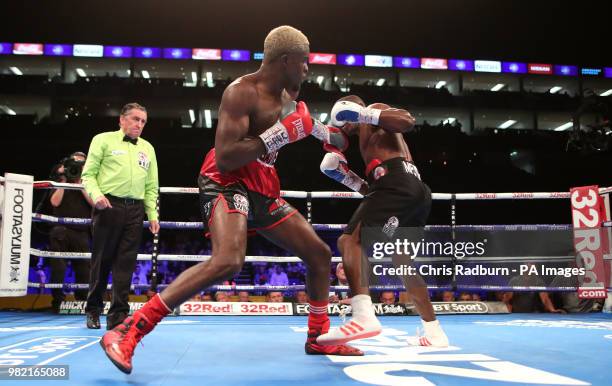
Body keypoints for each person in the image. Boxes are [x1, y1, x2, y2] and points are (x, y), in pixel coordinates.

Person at [100, 25, 361, 375]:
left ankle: (318, 336)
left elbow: (325, 135)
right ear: (286, 60)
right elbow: (226, 157)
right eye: (304, 61)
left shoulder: (289, 95)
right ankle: (129, 329)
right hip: (226, 182)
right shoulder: (241, 93)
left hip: (263, 188)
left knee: (319, 254)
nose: (308, 68)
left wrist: (342, 130)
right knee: (228, 259)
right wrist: (279, 134)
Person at [316, 95, 449, 347]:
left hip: (398, 185)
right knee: (402, 261)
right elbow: (374, 193)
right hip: (411, 192)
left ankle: (364, 316)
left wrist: (362, 113)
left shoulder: (372, 113)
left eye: (342, 124)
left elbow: (407, 120)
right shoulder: (369, 137)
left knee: (349, 240)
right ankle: (435, 332)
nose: (342, 131)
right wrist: (348, 179)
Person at [81, 102, 160, 330]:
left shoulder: (148, 148)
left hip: (135, 210)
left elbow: (152, 186)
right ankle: (93, 310)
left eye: (143, 121)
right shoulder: (102, 139)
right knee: (101, 261)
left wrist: (152, 214)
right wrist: (96, 195)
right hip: (108, 205)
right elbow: (88, 175)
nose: (139, 124)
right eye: (135, 119)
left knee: (125, 264)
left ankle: (118, 315)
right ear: (122, 120)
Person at [47, 152, 93, 313]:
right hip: (61, 229)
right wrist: (65, 180)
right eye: (75, 164)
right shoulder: (61, 180)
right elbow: (54, 202)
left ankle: (82, 303)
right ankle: (57, 301)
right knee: (58, 267)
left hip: (81, 231)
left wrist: (80, 183)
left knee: (84, 270)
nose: (77, 167)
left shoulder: (90, 182)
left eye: (81, 164)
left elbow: (94, 203)